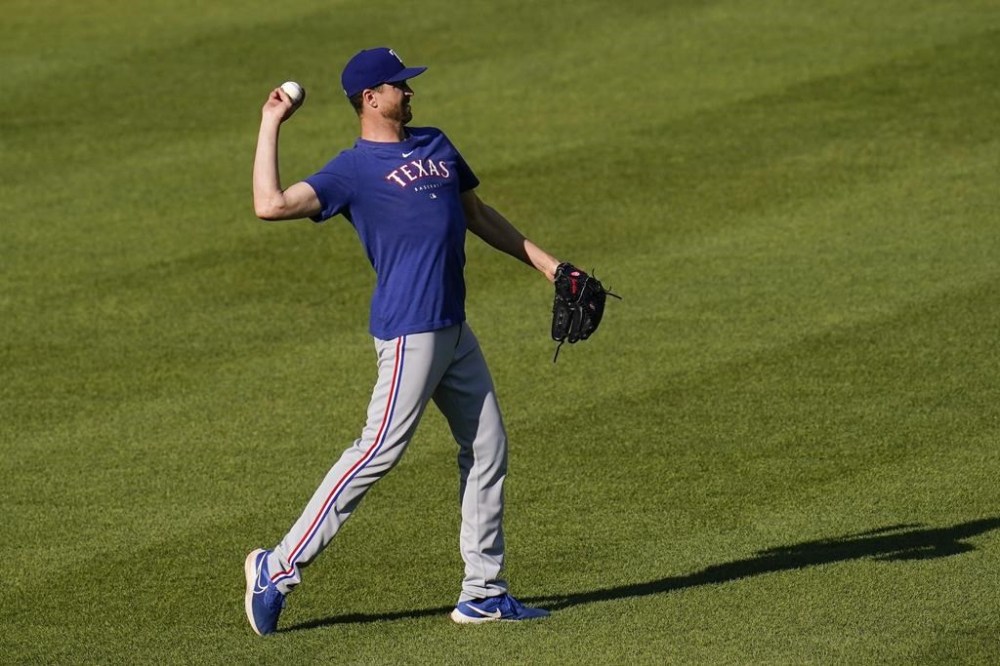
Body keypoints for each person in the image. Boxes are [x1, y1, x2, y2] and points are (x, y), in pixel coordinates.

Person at [244, 47, 562, 636]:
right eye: (399, 86)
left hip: (452, 328)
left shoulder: (437, 144)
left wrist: (549, 266)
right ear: (371, 98)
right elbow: (270, 205)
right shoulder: (352, 170)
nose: (410, 93)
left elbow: (479, 214)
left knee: (488, 447)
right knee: (376, 451)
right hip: (410, 330)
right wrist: (271, 123)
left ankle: (484, 592)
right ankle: (277, 565)